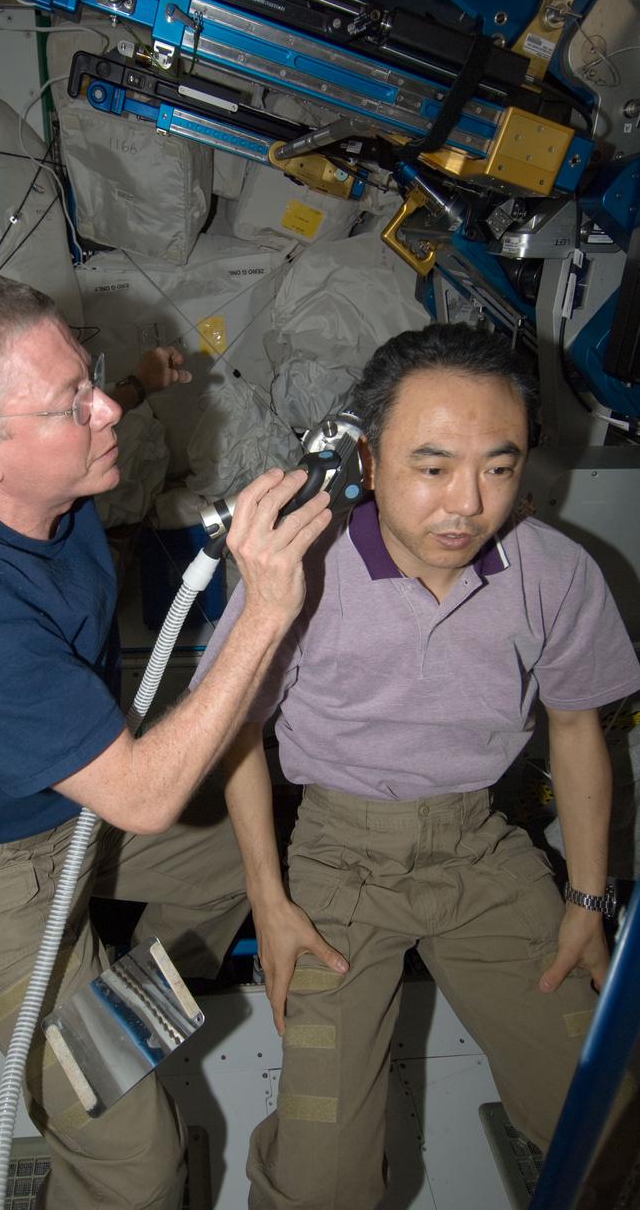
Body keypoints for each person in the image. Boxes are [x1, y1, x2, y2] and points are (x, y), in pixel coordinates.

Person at [0, 270, 332, 1210]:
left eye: (94, 377)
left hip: (77, 802)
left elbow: (80, 406)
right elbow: (146, 798)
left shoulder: (15, 479)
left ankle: (116, 1022)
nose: (105, 408)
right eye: (72, 403)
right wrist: (265, 609)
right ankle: (109, 1111)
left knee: (244, 866)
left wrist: (147, 378)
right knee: (137, 1161)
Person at [193, 322, 640, 1210]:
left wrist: (587, 901)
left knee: (610, 1125)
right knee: (324, 1188)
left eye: (500, 468)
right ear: (366, 459)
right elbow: (234, 732)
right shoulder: (298, 574)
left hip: (480, 850)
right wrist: (270, 903)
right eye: (431, 467)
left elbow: (576, 726)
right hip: (337, 859)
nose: (466, 504)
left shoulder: (554, 572)